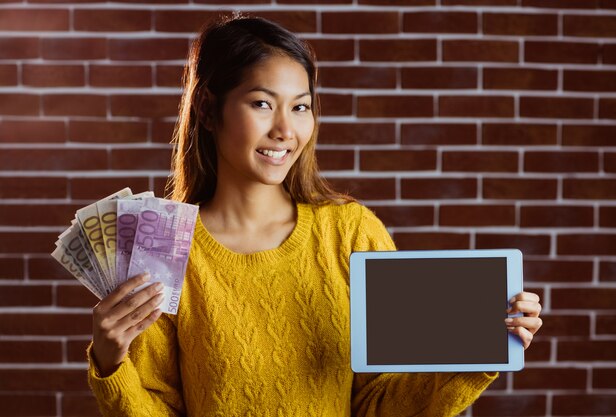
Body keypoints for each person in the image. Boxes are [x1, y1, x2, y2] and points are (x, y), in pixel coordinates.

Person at [87, 13, 543, 416]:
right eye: (262, 103)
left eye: (300, 106)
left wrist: (481, 354)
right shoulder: (160, 249)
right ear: (208, 109)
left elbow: (382, 403)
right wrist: (111, 364)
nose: (286, 130)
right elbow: (158, 407)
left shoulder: (351, 232)